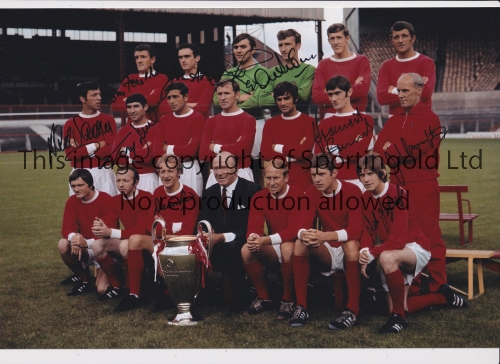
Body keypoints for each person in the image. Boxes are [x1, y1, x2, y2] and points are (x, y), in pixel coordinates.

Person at [374, 73, 468, 310]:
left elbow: (411, 152)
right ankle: (412, 287)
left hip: (423, 185)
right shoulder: (395, 119)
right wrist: (394, 150)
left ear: (419, 91)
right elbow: (377, 151)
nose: (400, 95)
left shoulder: (431, 119)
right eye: (398, 91)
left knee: (428, 235)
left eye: (405, 91)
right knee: (403, 236)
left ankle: (439, 285)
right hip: (397, 186)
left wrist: (392, 149)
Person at [357, 153, 432, 334]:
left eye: (370, 174)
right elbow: (368, 230)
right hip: (392, 249)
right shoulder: (366, 198)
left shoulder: (398, 194)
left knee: (386, 257)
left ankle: (399, 318)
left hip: (415, 246)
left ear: (382, 173)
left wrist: (374, 253)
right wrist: (365, 251)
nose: (365, 179)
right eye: (362, 174)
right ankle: (442, 298)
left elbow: (398, 240)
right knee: (394, 306)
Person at [114, 154, 199, 312]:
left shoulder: (190, 195)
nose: (165, 175)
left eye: (170, 171)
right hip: (160, 242)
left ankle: (168, 292)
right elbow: (150, 225)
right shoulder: (158, 193)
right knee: (135, 240)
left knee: (163, 244)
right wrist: (172, 228)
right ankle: (134, 294)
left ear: (179, 172)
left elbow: (187, 231)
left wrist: (165, 228)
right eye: (162, 171)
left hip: (182, 245)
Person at [290, 153, 363, 329]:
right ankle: (301, 306)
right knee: (300, 243)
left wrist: (325, 236)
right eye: (313, 175)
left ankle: (352, 310)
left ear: (334, 173)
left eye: (322, 174)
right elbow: (302, 225)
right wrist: (305, 234)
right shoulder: (312, 191)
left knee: (351, 244)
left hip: (351, 251)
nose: (317, 179)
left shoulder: (352, 191)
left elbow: (356, 230)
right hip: (328, 251)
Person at [199, 151, 261, 312]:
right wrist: (206, 233)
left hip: (243, 240)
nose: (219, 173)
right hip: (215, 243)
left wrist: (223, 237)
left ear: (237, 168)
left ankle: (239, 299)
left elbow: (253, 226)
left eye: (225, 167)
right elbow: (204, 220)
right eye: (216, 168)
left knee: (233, 248)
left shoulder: (252, 190)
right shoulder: (209, 192)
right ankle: (197, 297)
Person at [242, 160, 304, 320]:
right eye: (268, 178)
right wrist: (254, 238)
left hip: (296, 245)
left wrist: (265, 240)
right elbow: (253, 226)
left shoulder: (297, 194)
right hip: (272, 244)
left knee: (287, 248)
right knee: (246, 250)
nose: (271, 182)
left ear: (286, 177)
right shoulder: (259, 196)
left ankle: (288, 299)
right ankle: (264, 297)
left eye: (276, 178)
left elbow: (293, 231)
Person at [90, 166, 153, 303]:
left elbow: (142, 231)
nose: (121, 184)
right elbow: (109, 227)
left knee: (126, 244)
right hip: (130, 240)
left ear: (136, 182)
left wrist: (110, 232)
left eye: (126, 180)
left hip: (147, 243)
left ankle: (132, 290)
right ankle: (117, 286)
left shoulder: (146, 198)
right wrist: (101, 228)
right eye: (118, 180)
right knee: (98, 245)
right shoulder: (115, 200)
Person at [58, 169, 118, 296]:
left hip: (102, 248)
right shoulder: (72, 201)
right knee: (63, 244)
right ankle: (84, 281)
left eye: (80, 185)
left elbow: (109, 232)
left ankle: (116, 273)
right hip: (84, 248)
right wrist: (75, 238)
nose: (76, 189)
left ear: (90, 184)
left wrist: (85, 242)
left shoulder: (106, 199)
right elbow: (66, 228)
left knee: (102, 289)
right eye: (73, 186)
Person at [214, 33, 267, 172]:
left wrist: (232, 101)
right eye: (236, 47)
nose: (238, 50)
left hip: (255, 122)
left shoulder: (262, 72)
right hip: (230, 123)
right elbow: (216, 99)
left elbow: (258, 101)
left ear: (253, 50)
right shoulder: (228, 73)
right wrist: (242, 97)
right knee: (230, 163)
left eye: (243, 47)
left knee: (255, 168)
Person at [314, 75, 375, 191]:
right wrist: (349, 148)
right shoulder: (324, 125)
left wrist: (334, 149)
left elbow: (359, 152)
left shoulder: (365, 120)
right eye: (330, 94)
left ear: (350, 91)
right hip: (333, 183)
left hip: (359, 182)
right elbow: (320, 158)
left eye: (338, 93)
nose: (333, 99)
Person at [63, 81, 118, 196]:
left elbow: (110, 151)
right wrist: (97, 144)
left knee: (108, 212)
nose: (99, 98)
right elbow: (70, 154)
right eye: (94, 95)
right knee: (81, 212)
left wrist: (81, 149)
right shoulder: (70, 124)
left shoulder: (108, 120)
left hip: (104, 173)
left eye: (99, 94)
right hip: (79, 174)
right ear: (82, 99)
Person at [200, 79, 256, 188]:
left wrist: (215, 147)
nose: (222, 98)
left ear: (237, 95)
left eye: (227, 93)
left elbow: (242, 150)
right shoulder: (211, 121)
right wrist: (233, 147)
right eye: (219, 94)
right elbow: (204, 153)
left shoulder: (248, 120)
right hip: (217, 175)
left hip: (240, 172)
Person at [260, 81, 315, 191]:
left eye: (286, 98)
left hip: (302, 178)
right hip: (277, 179)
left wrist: (276, 147)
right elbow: (264, 153)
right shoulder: (271, 123)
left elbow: (305, 152)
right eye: (279, 99)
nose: (283, 103)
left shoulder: (309, 122)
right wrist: (295, 153)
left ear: (295, 98)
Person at [153, 82, 205, 196]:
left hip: (189, 168)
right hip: (167, 170)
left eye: (175, 97)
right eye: (169, 98)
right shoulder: (164, 120)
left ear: (186, 97)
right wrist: (181, 148)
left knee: (191, 206)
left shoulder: (197, 118)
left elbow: (191, 151)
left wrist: (168, 148)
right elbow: (156, 150)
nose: (171, 101)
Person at [376, 21, 436, 116]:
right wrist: (414, 90)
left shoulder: (426, 62)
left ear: (413, 38)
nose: (400, 40)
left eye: (404, 36)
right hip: (395, 123)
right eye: (396, 37)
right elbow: (381, 98)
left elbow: (425, 94)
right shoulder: (386, 66)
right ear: (392, 41)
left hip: (421, 120)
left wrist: (394, 90)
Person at [312, 23, 371, 118]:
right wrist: (352, 88)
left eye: (339, 37)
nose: (336, 42)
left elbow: (362, 90)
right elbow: (317, 96)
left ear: (347, 38)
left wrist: (329, 92)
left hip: (357, 115)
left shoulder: (361, 61)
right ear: (329, 41)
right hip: (331, 116)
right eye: (332, 38)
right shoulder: (323, 64)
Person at [259, 29, 316, 117]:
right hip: (277, 125)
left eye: (287, 44)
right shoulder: (272, 72)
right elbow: (262, 101)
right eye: (280, 45)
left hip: (299, 124)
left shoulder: (308, 70)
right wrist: (291, 96)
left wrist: (275, 95)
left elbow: (303, 97)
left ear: (298, 46)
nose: (283, 49)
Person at [112, 93, 159, 194]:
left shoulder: (155, 128)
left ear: (145, 107)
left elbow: (148, 158)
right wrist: (141, 151)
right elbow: (114, 157)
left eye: (136, 106)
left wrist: (126, 151)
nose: (132, 111)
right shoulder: (123, 131)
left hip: (148, 178)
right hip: (125, 180)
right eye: (129, 107)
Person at [111, 44, 169, 120]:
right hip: (132, 128)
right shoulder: (129, 79)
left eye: (143, 57)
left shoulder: (161, 78)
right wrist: (145, 98)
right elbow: (115, 104)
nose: (139, 61)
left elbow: (152, 101)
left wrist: (128, 100)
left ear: (153, 59)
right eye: (136, 57)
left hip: (153, 127)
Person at [171, 43, 214, 119]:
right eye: (180, 57)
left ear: (197, 58)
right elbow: (163, 109)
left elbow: (202, 109)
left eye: (187, 56)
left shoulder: (207, 81)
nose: (183, 60)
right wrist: (192, 105)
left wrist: (178, 104)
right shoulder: (174, 81)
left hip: (198, 125)